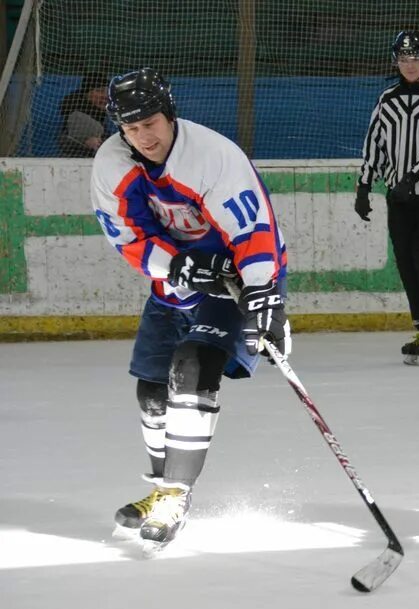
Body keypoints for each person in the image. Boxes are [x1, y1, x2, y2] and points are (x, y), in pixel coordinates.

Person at [91, 67, 290, 552]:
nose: (144, 136)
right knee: (152, 392)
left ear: (170, 114)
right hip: (175, 281)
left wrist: (265, 293)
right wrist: (175, 264)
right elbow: (126, 235)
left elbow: (254, 229)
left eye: (150, 123)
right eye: (132, 128)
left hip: (233, 277)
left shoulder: (212, 156)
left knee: (192, 366)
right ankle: (161, 487)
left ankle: (176, 496)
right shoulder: (113, 162)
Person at [354, 30, 419, 365]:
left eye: (415, 58)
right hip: (397, 195)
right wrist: (364, 185)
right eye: (403, 59)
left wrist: (413, 177)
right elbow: (375, 141)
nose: (410, 65)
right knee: (405, 258)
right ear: (395, 61)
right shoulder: (387, 99)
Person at [57, 72, 110, 157]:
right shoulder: (77, 116)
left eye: (107, 91)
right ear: (86, 93)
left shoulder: (100, 118)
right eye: (99, 91)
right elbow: (64, 141)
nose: (105, 96)